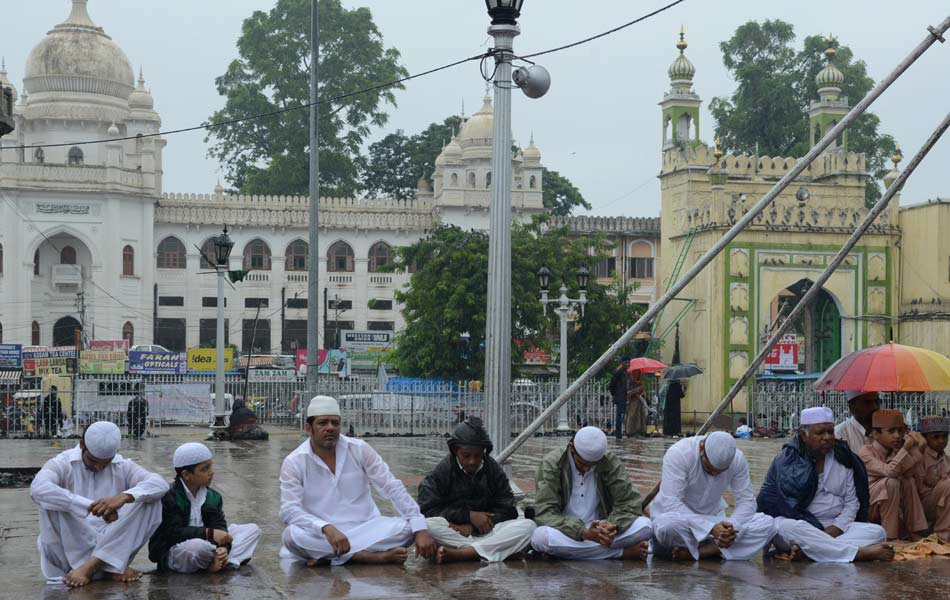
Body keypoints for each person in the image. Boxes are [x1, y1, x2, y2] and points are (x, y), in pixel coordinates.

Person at [279, 395, 436, 566]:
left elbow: (391, 486)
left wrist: (420, 528)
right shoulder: (294, 461)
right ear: (309, 428)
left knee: (409, 527)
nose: (330, 428)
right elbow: (289, 509)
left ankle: (331, 557)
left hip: (365, 527)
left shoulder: (359, 449)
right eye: (323, 423)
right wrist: (326, 528)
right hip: (323, 534)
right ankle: (364, 557)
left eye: (335, 423)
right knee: (291, 536)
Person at [29, 421, 167, 587]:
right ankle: (108, 568)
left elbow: (159, 483)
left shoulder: (122, 465)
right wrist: (90, 506)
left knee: (151, 501)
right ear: (82, 445)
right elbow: (38, 489)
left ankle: (94, 566)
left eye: (105, 463)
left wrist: (124, 496)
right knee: (49, 500)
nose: (98, 467)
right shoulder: (62, 463)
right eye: (93, 461)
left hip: (108, 540)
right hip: (70, 544)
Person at [757, 407, 892, 562]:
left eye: (830, 432)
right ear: (803, 435)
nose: (827, 437)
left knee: (878, 532)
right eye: (820, 433)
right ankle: (856, 553)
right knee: (785, 527)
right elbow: (785, 506)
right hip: (802, 526)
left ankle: (811, 552)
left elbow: (851, 503)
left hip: (836, 526)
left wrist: (836, 528)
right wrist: (816, 532)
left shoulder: (843, 459)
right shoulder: (786, 462)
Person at [417, 417, 536, 563]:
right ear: (455, 451)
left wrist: (475, 526)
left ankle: (463, 554)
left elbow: (508, 510)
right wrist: (467, 516)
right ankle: (495, 551)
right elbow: (426, 511)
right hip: (454, 532)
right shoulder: (441, 472)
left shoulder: (493, 470)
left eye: (477, 456)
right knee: (427, 526)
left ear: (484, 452)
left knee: (529, 527)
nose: (472, 461)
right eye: (466, 456)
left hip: (488, 533)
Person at [530, 426, 652, 560]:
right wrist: (583, 532)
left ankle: (578, 553)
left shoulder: (608, 461)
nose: (586, 468)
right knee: (540, 538)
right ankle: (621, 552)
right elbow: (545, 513)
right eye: (582, 463)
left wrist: (614, 525)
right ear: (571, 447)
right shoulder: (551, 464)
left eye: (592, 464)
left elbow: (628, 502)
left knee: (645, 526)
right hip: (567, 532)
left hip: (604, 531)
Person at [651, 431, 775, 560]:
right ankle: (716, 549)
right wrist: (709, 528)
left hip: (714, 521)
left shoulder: (737, 459)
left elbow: (747, 502)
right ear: (701, 449)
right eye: (709, 469)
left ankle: (702, 552)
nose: (714, 474)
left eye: (720, 472)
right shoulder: (679, 453)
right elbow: (671, 503)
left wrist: (730, 529)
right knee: (667, 526)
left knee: (767, 524)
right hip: (681, 521)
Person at [148, 443, 261, 572]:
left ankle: (222, 560)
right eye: (204, 469)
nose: (211, 472)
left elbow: (219, 525)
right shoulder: (169, 496)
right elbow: (173, 532)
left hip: (209, 545)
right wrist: (209, 533)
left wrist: (224, 547)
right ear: (186, 475)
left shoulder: (213, 496)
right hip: (178, 551)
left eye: (210, 466)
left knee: (252, 530)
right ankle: (220, 560)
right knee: (199, 547)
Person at [858, 409, 928, 540]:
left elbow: (909, 472)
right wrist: (905, 448)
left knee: (908, 481)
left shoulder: (894, 451)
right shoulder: (865, 452)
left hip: (888, 505)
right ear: (875, 434)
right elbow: (889, 472)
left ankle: (914, 529)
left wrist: (920, 448)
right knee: (892, 482)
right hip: (869, 507)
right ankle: (890, 537)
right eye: (891, 431)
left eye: (900, 431)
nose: (897, 436)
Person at [916, 416, 950, 543]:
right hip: (923, 506)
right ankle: (943, 535)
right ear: (924, 438)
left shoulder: (945, 458)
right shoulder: (920, 457)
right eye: (936, 437)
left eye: (945, 436)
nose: (941, 441)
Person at [608, 356, 631, 440]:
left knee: (621, 416)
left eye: (628, 362)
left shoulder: (625, 373)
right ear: (622, 363)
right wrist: (615, 394)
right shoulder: (619, 372)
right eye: (626, 362)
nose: (627, 364)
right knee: (619, 415)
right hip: (620, 397)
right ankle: (618, 433)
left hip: (624, 397)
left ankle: (619, 433)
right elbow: (612, 384)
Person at [625, 369, 646, 437]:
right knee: (632, 416)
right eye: (635, 373)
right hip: (633, 402)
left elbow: (644, 392)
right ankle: (630, 431)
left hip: (639, 401)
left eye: (638, 373)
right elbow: (627, 392)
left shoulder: (640, 382)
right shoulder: (630, 382)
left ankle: (640, 431)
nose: (636, 375)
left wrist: (642, 393)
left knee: (640, 416)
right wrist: (635, 391)